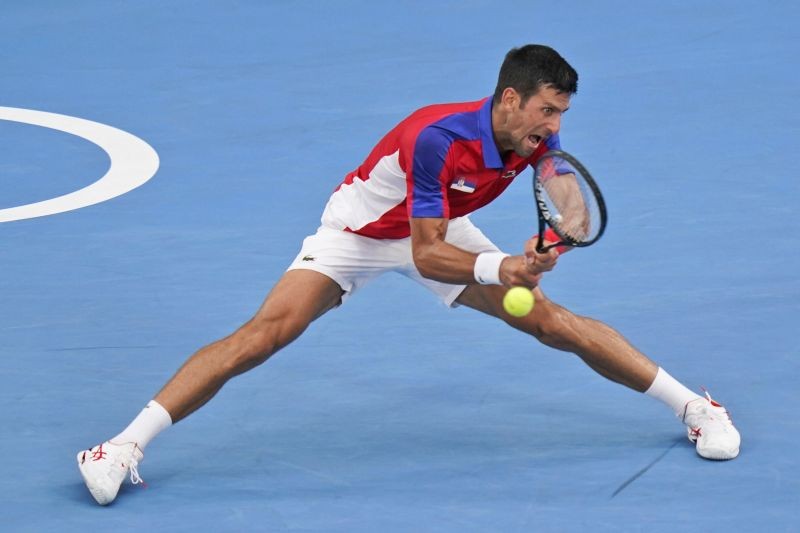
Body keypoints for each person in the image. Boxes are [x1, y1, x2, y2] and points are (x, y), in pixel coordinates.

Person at [77, 44, 740, 506]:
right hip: (361, 233)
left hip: (441, 227)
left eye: (562, 113)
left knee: (550, 322)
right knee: (266, 333)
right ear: (510, 99)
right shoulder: (437, 138)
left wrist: (550, 241)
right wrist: (503, 264)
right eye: (547, 110)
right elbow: (425, 253)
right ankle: (118, 448)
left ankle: (694, 406)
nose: (555, 125)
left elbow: (566, 197)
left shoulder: (538, 140)